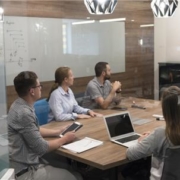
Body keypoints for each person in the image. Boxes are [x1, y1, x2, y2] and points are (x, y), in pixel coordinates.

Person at [7, 71, 82, 180]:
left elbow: (34, 129)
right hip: (26, 171)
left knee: (69, 168)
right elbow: (41, 148)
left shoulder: (18, 104)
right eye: (39, 86)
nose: (41, 88)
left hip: (26, 162)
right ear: (32, 91)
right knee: (75, 177)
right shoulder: (24, 113)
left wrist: (58, 131)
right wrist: (65, 139)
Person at [126, 86, 180, 180]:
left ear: (165, 110)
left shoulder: (161, 134)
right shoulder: (161, 134)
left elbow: (130, 154)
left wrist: (140, 140)